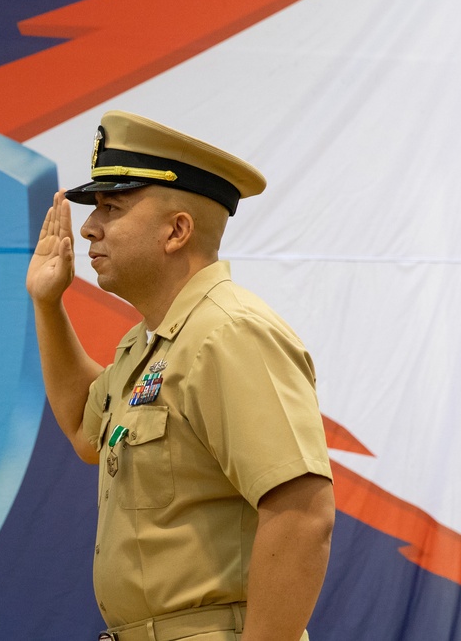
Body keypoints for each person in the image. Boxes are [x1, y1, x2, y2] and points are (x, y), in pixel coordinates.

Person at [26, 110, 335, 641]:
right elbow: (84, 428)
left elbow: (302, 514)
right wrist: (47, 304)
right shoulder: (154, 340)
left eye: (112, 207)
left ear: (176, 230)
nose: (89, 227)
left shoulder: (228, 333)